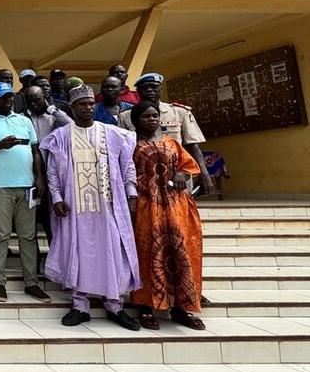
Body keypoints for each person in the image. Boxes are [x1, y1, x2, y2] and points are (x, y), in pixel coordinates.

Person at [39, 85, 141, 331]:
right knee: (78, 252)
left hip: (109, 206)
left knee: (112, 251)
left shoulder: (113, 133)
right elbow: (52, 171)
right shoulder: (61, 135)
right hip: (75, 209)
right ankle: (79, 305)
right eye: (82, 104)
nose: (88, 107)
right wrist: (56, 198)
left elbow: (127, 166)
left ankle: (114, 304)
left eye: (90, 103)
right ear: (72, 107)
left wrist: (131, 194)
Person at [130, 101, 206, 331]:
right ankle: (145, 306)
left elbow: (189, 165)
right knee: (147, 253)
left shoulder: (172, 143)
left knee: (179, 252)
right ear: (136, 121)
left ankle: (181, 307)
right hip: (146, 206)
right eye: (146, 116)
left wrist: (182, 173)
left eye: (155, 116)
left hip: (175, 206)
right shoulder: (130, 144)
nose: (152, 120)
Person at [0, 82, 49, 303]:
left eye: (10, 97)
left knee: (28, 236)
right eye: (3, 97)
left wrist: (40, 177)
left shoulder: (24, 120)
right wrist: (0, 145)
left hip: (27, 186)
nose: (8, 100)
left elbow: (35, 151)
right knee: (1, 236)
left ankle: (31, 283)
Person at [118, 73, 213, 196]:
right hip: (143, 179)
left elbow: (193, 146)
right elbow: (122, 151)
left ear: (161, 89)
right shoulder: (125, 116)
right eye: (145, 87)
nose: (149, 90)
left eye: (154, 86)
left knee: (180, 207)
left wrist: (204, 173)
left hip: (177, 177)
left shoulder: (179, 112)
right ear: (138, 91)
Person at [23, 85, 71, 258]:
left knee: (53, 223)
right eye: (29, 101)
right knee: (30, 224)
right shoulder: (22, 118)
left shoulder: (53, 116)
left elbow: (70, 125)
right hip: (30, 173)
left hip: (53, 174)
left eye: (37, 100)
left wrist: (51, 108)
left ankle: (56, 260)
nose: (33, 104)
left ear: (44, 97)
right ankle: (34, 264)